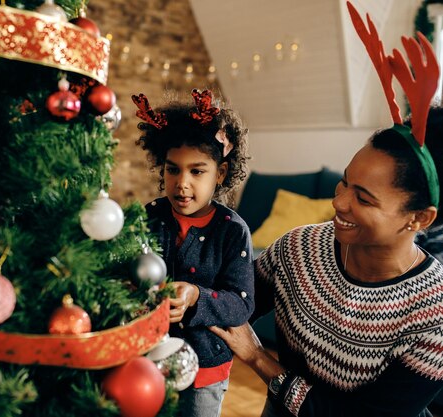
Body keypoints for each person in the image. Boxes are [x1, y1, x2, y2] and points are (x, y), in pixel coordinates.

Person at [210, 4, 443, 416]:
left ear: (420, 218)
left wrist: (259, 359)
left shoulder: (434, 312)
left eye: (364, 198)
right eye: (345, 182)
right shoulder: (297, 249)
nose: (339, 202)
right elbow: (230, 301)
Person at [133, 89, 255, 417]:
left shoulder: (232, 230)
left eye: (197, 171)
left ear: (222, 173)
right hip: (148, 357)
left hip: (205, 370)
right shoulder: (151, 215)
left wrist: (195, 296)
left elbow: (241, 304)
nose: (182, 183)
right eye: (173, 170)